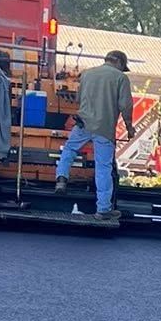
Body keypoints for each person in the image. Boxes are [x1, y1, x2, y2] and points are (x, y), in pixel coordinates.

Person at [54, 49, 135, 220]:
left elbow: (78, 100)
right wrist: (129, 127)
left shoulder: (87, 74)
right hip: (104, 128)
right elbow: (125, 106)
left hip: (83, 123)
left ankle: (61, 179)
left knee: (69, 150)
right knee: (103, 167)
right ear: (120, 63)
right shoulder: (120, 78)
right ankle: (103, 209)